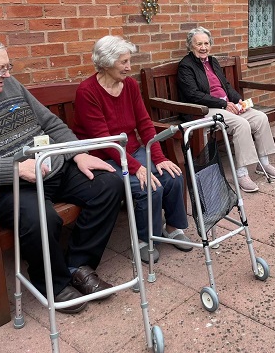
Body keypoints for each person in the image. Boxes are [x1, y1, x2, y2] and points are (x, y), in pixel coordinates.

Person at [0, 35, 123, 315]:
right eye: (0, 69)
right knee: (41, 217)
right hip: (10, 186)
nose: (7, 75)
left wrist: (78, 153)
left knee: (109, 184)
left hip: (53, 167)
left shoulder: (9, 84)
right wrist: (13, 169)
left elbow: (50, 123)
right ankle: (52, 282)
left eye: (8, 67)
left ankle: (78, 265)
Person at [73, 35, 191, 264]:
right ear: (106, 63)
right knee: (148, 186)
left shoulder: (130, 85)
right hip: (103, 157)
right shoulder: (87, 92)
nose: (129, 67)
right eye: (124, 62)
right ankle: (145, 239)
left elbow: (145, 124)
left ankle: (172, 228)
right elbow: (104, 140)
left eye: (129, 61)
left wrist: (158, 157)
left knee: (172, 175)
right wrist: (137, 168)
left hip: (132, 151)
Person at [176, 26, 275, 193]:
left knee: (260, 118)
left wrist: (238, 100)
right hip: (203, 110)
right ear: (190, 46)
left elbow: (225, 86)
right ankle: (241, 173)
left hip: (225, 106)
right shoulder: (186, 66)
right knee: (241, 124)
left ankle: (263, 163)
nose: (203, 47)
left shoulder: (213, 61)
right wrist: (223, 104)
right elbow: (193, 95)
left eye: (206, 43)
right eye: (199, 44)